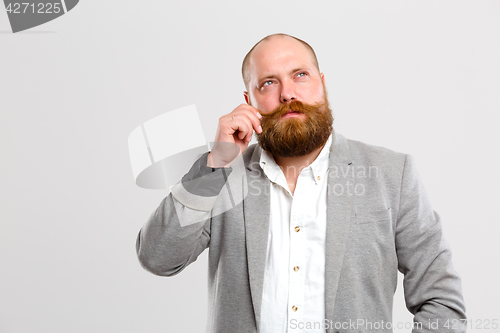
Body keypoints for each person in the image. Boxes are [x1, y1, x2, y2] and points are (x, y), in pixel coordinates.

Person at [136, 33, 466, 333]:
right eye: (268, 83)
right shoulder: (221, 176)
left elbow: (441, 301)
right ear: (249, 101)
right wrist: (215, 163)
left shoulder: (391, 174)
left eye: (300, 75)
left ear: (321, 83)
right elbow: (158, 258)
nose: (288, 93)